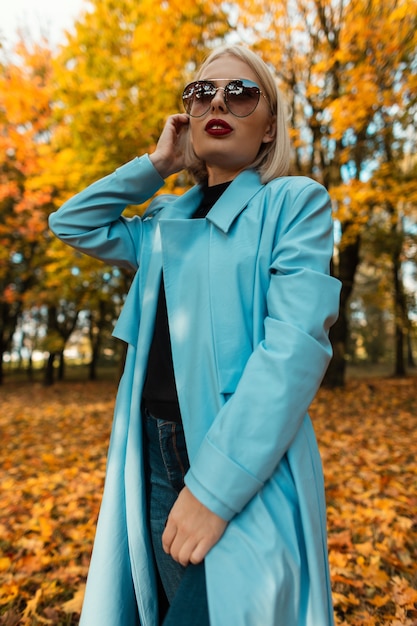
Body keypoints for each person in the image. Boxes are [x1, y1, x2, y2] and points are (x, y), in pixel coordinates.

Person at [49, 44, 341, 626]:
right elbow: (72, 222)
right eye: (202, 92)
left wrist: (213, 490)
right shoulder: (164, 223)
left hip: (244, 460)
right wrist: (157, 164)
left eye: (241, 94)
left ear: (267, 130)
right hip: (155, 456)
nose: (219, 102)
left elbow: (292, 352)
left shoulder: (294, 203)